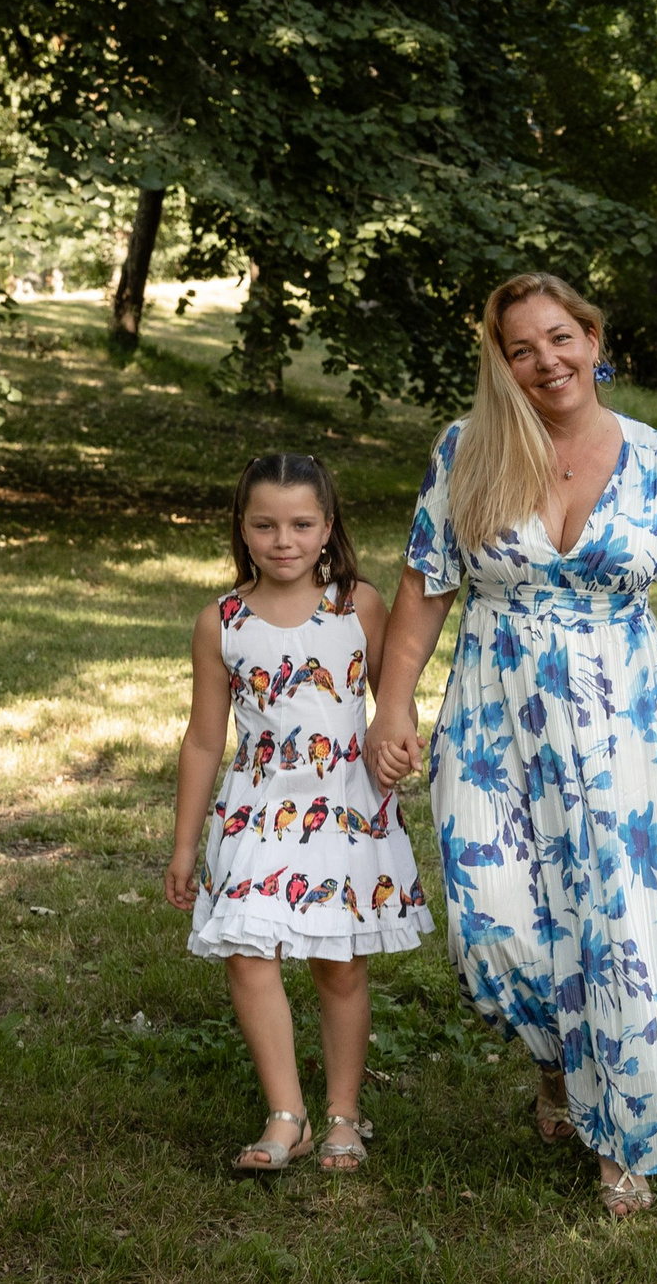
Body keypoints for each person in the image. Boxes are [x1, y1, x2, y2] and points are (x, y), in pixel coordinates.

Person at [365, 272, 657, 1218]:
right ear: (501, 363)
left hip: (621, 717)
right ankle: (563, 1062)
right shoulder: (467, 449)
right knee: (495, 930)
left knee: (621, 926)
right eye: (521, 349)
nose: (546, 361)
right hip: (492, 713)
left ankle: (622, 1134)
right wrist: (392, 707)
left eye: (560, 338)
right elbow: (426, 585)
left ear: (594, 339)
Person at [163, 452, 431, 1175]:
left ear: (328, 526)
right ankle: (288, 1115)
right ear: (242, 529)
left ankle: (342, 1112)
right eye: (266, 526)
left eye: (301, 525)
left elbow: (394, 702)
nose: (284, 541)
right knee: (248, 953)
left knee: (338, 965)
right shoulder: (220, 622)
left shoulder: (358, 606)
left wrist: (399, 744)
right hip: (256, 810)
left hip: (343, 808)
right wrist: (184, 847)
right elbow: (203, 739)